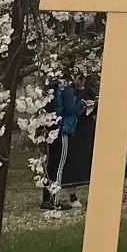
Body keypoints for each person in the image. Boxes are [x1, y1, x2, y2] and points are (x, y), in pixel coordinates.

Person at [44, 75, 83, 209]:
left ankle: (47, 198)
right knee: (60, 165)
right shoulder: (67, 89)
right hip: (63, 129)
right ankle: (54, 200)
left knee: (52, 164)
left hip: (54, 129)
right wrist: (82, 103)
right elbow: (69, 108)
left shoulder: (55, 87)